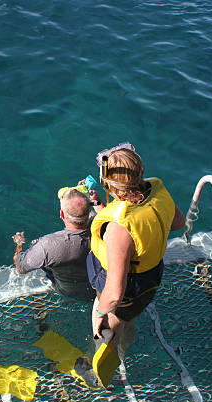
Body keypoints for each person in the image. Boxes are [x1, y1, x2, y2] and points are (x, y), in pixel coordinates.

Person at [88, 142, 185, 361]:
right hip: (151, 279)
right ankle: (125, 340)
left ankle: (112, 356)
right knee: (127, 318)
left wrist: (101, 313)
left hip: (127, 292)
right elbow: (178, 223)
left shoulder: (118, 228)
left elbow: (113, 295)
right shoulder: (158, 190)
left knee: (112, 321)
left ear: (108, 184)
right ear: (141, 172)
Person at [12, 187, 96, 301]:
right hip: (96, 289)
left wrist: (19, 243)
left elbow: (21, 267)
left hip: (67, 291)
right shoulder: (103, 227)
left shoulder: (48, 244)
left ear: (61, 214)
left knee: (35, 245)